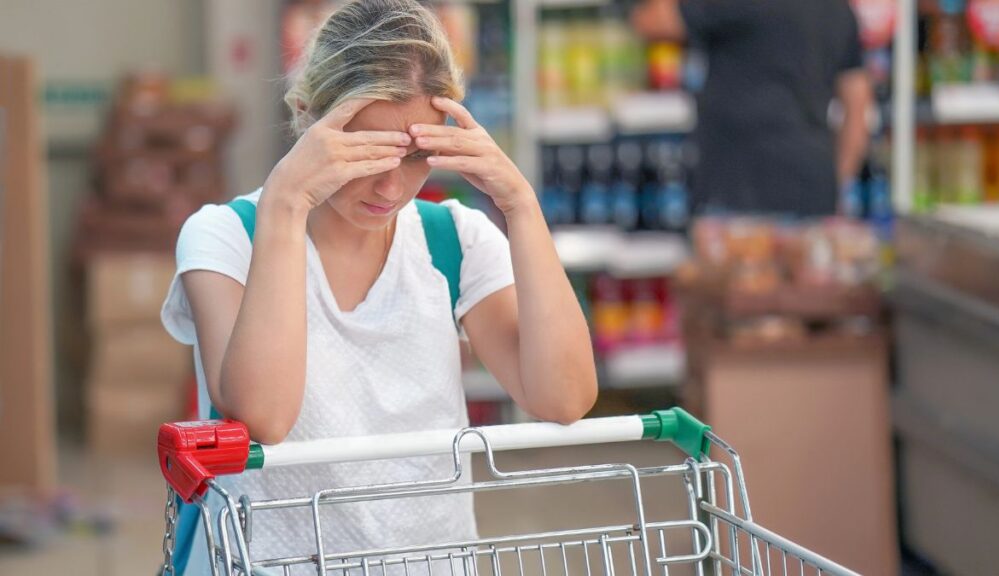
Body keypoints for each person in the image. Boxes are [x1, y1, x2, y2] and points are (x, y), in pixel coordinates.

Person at [159, 0, 598, 572]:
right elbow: (264, 417)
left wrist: (519, 204)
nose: (391, 186)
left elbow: (562, 398)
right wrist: (288, 202)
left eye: (417, 155)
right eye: (365, 152)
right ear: (303, 116)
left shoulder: (454, 242)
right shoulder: (224, 238)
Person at [632, 0, 873, 217]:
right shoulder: (838, 8)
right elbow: (858, 111)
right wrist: (838, 182)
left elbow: (653, 20)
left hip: (739, 195)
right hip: (813, 193)